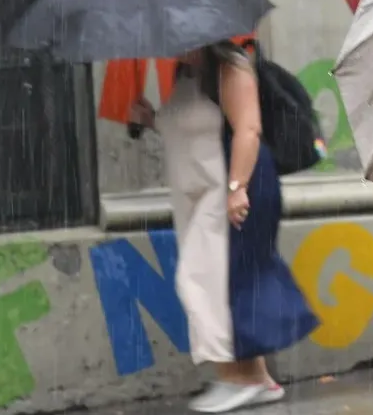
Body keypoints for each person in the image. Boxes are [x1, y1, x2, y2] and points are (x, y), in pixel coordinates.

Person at [129, 42, 319, 413]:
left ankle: (240, 378)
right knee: (228, 280)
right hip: (201, 193)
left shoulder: (231, 67)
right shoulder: (186, 73)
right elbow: (192, 129)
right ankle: (257, 379)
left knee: (211, 280)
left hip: (235, 186)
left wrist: (237, 190)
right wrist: (151, 118)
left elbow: (249, 130)